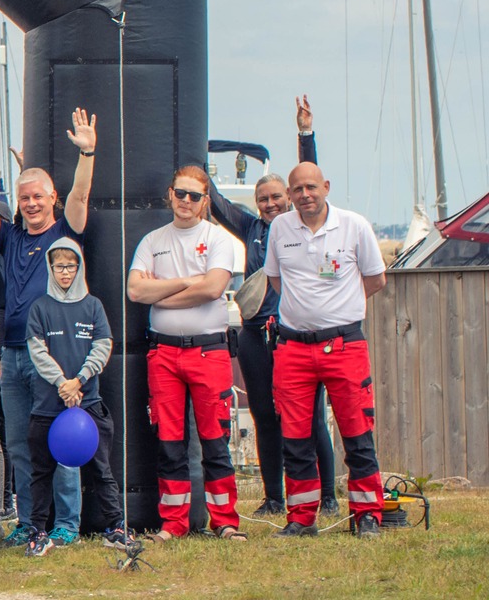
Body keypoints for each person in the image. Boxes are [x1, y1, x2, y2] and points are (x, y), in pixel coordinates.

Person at [0, 110, 98, 544]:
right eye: (25, 197)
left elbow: (81, 195)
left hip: (54, 353)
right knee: (19, 445)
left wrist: (87, 153)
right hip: (11, 352)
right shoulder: (10, 236)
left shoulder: (66, 232)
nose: (30, 204)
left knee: (60, 441)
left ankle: (66, 525)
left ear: (52, 198)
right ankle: (30, 522)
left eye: (38, 197)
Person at [209, 97, 332, 516]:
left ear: (290, 198)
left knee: (310, 417)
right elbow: (214, 200)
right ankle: (274, 497)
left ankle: (328, 496)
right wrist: (192, 151)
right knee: (264, 416)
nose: (270, 204)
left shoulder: (297, 224)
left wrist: (305, 134)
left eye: (277, 196)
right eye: (263, 199)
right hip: (255, 335)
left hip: (295, 334)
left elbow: (309, 175)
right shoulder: (250, 227)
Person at [264, 162, 388, 537]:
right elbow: (276, 279)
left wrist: (339, 308)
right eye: (298, 189)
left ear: (326, 187)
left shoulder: (354, 225)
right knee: (295, 437)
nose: (305, 195)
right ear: (290, 194)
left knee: (357, 431)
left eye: (312, 187)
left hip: (344, 343)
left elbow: (376, 279)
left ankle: (366, 514)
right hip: (293, 347)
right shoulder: (280, 228)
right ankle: (301, 517)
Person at [129, 165, 246, 541]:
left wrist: (161, 292)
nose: (185, 201)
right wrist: (185, 282)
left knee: (215, 440)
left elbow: (212, 289)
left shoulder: (218, 239)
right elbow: (135, 291)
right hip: (163, 353)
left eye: (194, 196)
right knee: (169, 442)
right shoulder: (152, 241)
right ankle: (173, 523)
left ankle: (225, 520)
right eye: (180, 193)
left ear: (205, 200)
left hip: (208, 351)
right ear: (170, 194)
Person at [24, 239, 124, 555]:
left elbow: (103, 346)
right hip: (48, 405)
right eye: (59, 267)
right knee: (41, 473)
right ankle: (37, 532)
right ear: (50, 269)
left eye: (71, 266)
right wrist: (62, 384)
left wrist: (79, 380)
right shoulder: (40, 307)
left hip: (88, 402)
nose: (65, 272)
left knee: (102, 470)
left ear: (79, 267)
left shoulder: (93, 305)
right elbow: (37, 351)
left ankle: (117, 528)